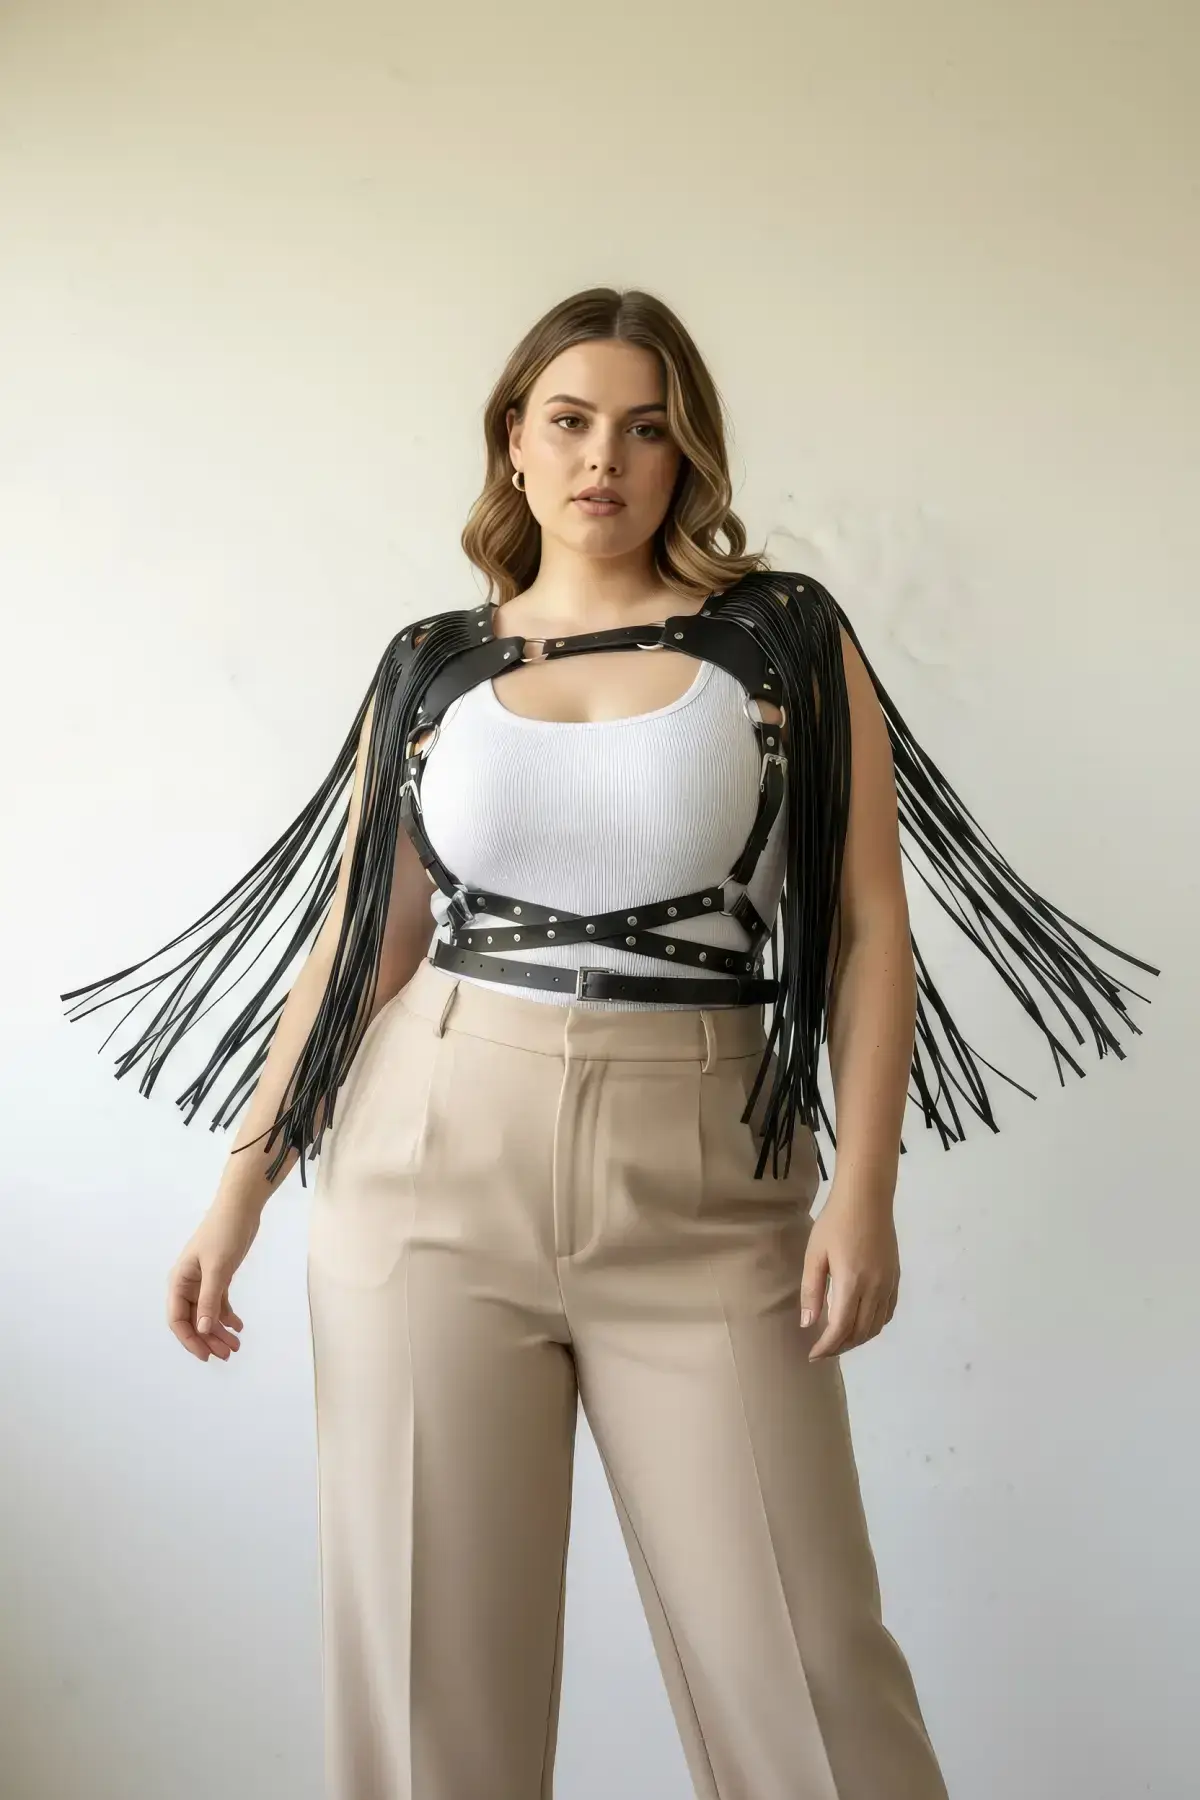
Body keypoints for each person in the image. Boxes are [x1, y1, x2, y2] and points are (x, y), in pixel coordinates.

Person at [61, 286, 1158, 1800]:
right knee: (428, 1696)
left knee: (812, 1681)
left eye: (647, 429)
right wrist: (238, 1191)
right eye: (571, 421)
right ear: (513, 440)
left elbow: (866, 929)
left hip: (707, 1179)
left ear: (686, 454)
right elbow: (362, 948)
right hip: (427, 1167)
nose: (605, 459)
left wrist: (866, 1193)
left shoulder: (782, 639)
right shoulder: (429, 664)